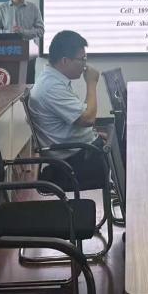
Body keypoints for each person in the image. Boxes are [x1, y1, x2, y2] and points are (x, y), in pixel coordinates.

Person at [29, 30, 107, 188]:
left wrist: (92, 134)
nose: (85, 64)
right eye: (82, 59)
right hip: (73, 163)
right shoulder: (51, 87)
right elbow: (88, 119)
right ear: (65, 61)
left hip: (78, 151)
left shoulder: (55, 80)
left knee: (121, 144)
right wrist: (91, 83)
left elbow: (80, 116)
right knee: (127, 155)